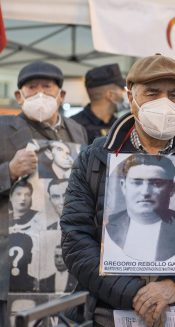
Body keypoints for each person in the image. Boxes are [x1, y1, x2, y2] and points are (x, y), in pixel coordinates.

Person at [60, 54, 175, 327]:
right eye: (152, 93)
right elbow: (75, 238)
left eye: (174, 95)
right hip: (109, 312)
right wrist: (132, 293)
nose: (164, 103)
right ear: (130, 97)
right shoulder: (95, 158)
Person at [0, 60, 87, 325]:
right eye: (31, 87)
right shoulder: (3, 130)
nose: (39, 93)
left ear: (61, 95)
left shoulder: (78, 131)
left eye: (47, 87)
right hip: (16, 257)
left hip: (64, 255)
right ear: (19, 95)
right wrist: (9, 171)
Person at [104, 155, 175, 261]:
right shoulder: (107, 226)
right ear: (124, 186)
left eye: (156, 183)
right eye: (137, 183)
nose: (145, 192)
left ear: (172, 188)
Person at [72, 64, 128, 144]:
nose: (126, 93)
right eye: (122, 89)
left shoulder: (120, 125)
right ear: (110, 95)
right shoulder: (74, 127)